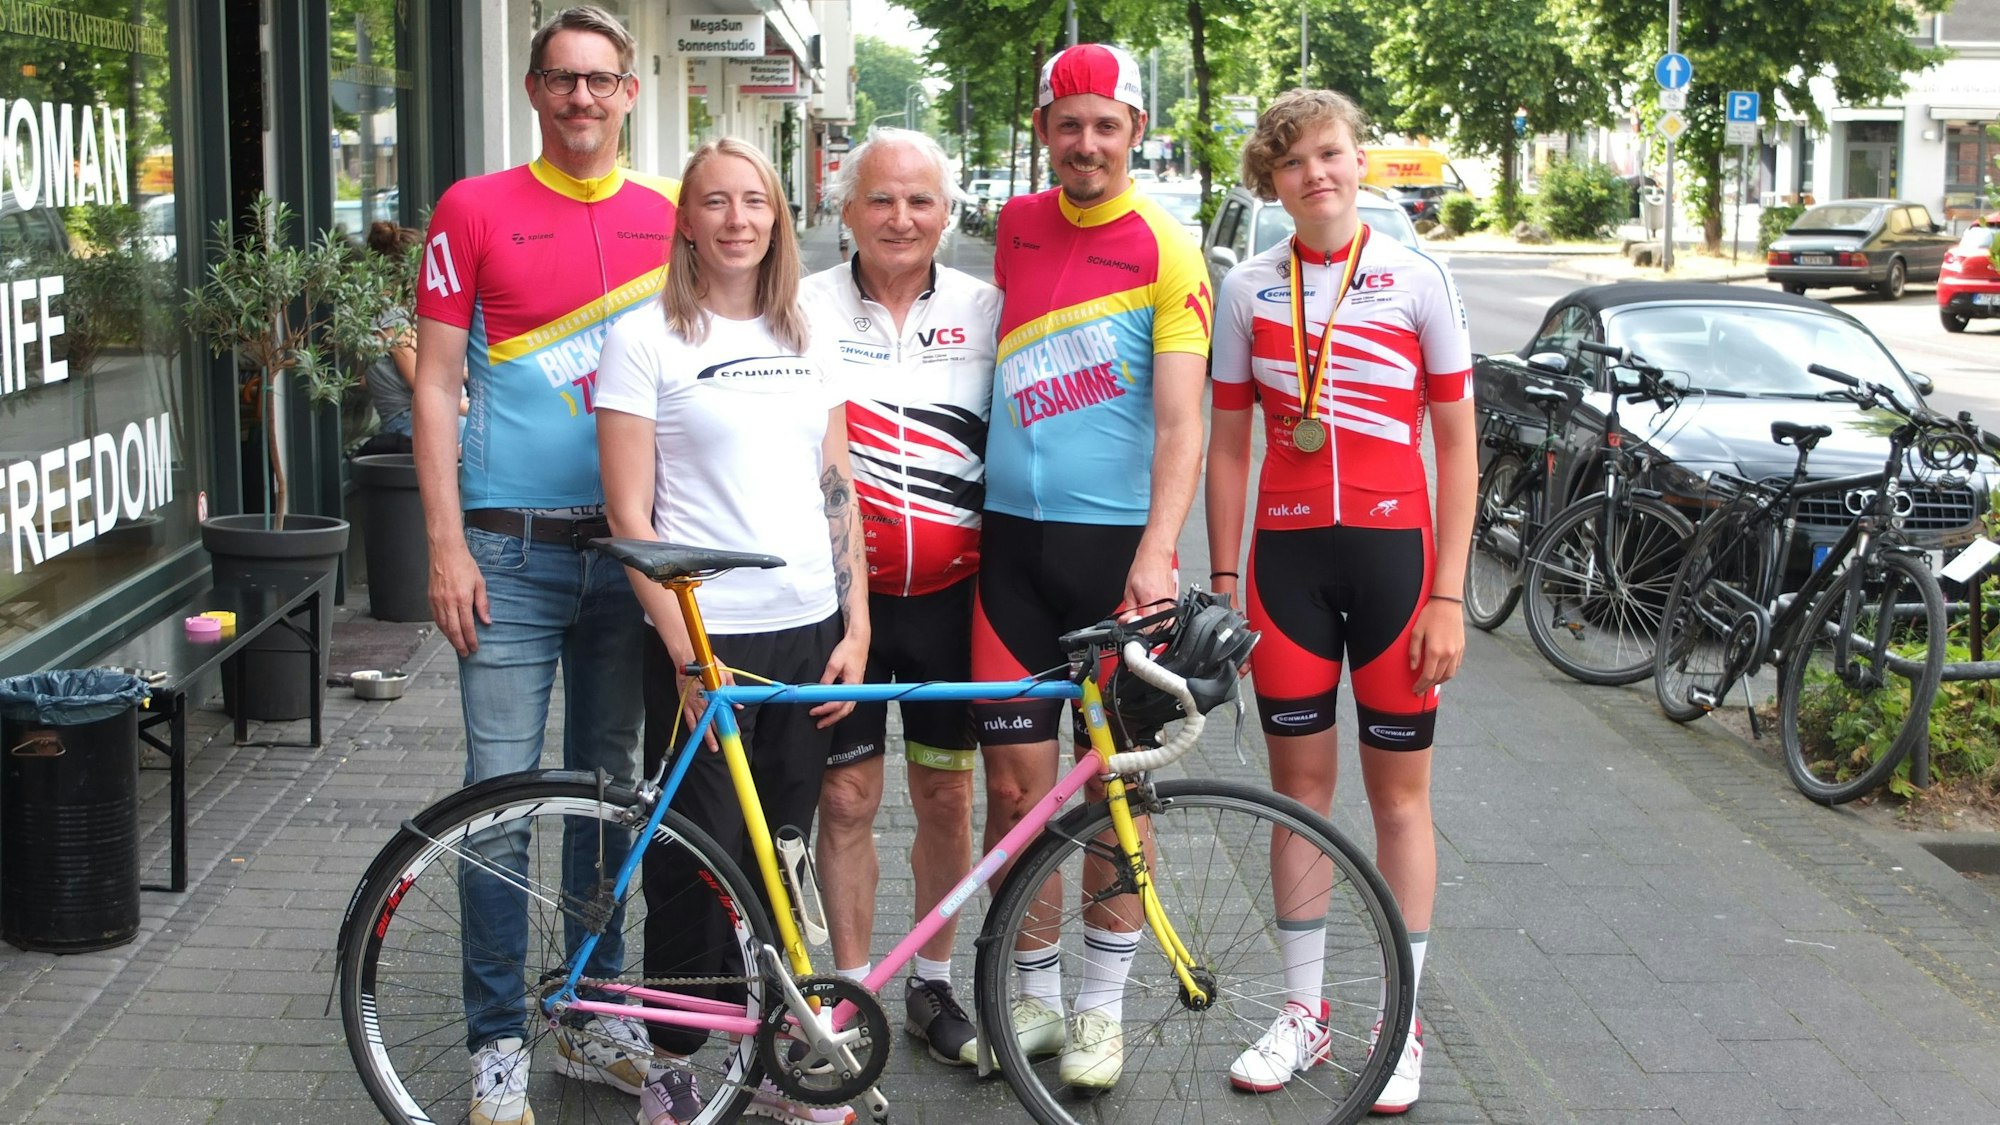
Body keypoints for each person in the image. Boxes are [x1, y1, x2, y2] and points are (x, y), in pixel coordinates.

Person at [410, 8, 676, 1123]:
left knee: (608, 799)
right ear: (532, 90)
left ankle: (588, 1013)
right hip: (506, 555)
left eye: (598, 82)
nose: (580, 100)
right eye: (561, 81)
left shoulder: (668, 215)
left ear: (625, 94)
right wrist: (441, 544)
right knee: (501, 808)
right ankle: (494, 1050)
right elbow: (431, 383)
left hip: (627, 557)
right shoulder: (471, 208)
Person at [1204, 88, 1474, 1115]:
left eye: (1327, 154)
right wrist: (1223, 578)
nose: (1312, 174)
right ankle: (1303, 1013)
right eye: (1290, 163)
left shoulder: (1415, 277)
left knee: (1400, 796)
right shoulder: (1247, 289)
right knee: (1297, 792)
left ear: (1360, 161)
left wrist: (1447, 594)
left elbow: (1455, 442)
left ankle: (1397, 1026)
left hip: (1397, 567)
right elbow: (1229, 439)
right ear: (1268, 182)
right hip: (1284, 570)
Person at [596, 136, 867, 1125]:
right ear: (687, 219)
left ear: (777, 217)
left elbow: (836, 487)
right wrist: (682, 653)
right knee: (689, 864)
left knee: (779, 856)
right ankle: (673, 1070)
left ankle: (778, 1064)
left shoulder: (807, 333)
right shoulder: (644, 339)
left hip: (806, 630)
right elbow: (630, 518)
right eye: (716, 201)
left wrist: (858, 626)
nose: (738, 219)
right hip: (703, 642)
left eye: (755, 201)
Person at [964, 43, 1211, 1088]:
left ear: (1134, 134)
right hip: (1009, 547)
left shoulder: (1169, 245)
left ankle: (1102, 1013)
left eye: (1105, 124)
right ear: (1042, 131)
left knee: (1116, 793)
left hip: (1116, 561)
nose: (1086, 142)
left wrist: (1157, 550)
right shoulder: (1014, 230)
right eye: (1068, 123)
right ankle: (1033, 1003)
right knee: (1014, 784)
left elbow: (1180, 420)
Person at [799, 127, 1001, 1067]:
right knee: (844, 796)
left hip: (953, 599)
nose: (901, 217)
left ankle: (931, 982)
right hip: (846, 605)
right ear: (845, 210)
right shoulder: (799, 309)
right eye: (881, 199)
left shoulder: (987, 307)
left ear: (946, 212)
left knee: (944, 798)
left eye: (921, 200)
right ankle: (847, 990)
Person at [359, 221, 422, 454]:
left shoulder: (387, 314)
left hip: (411, 421)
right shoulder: (393, 322)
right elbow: (426, 387)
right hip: (410, 425)